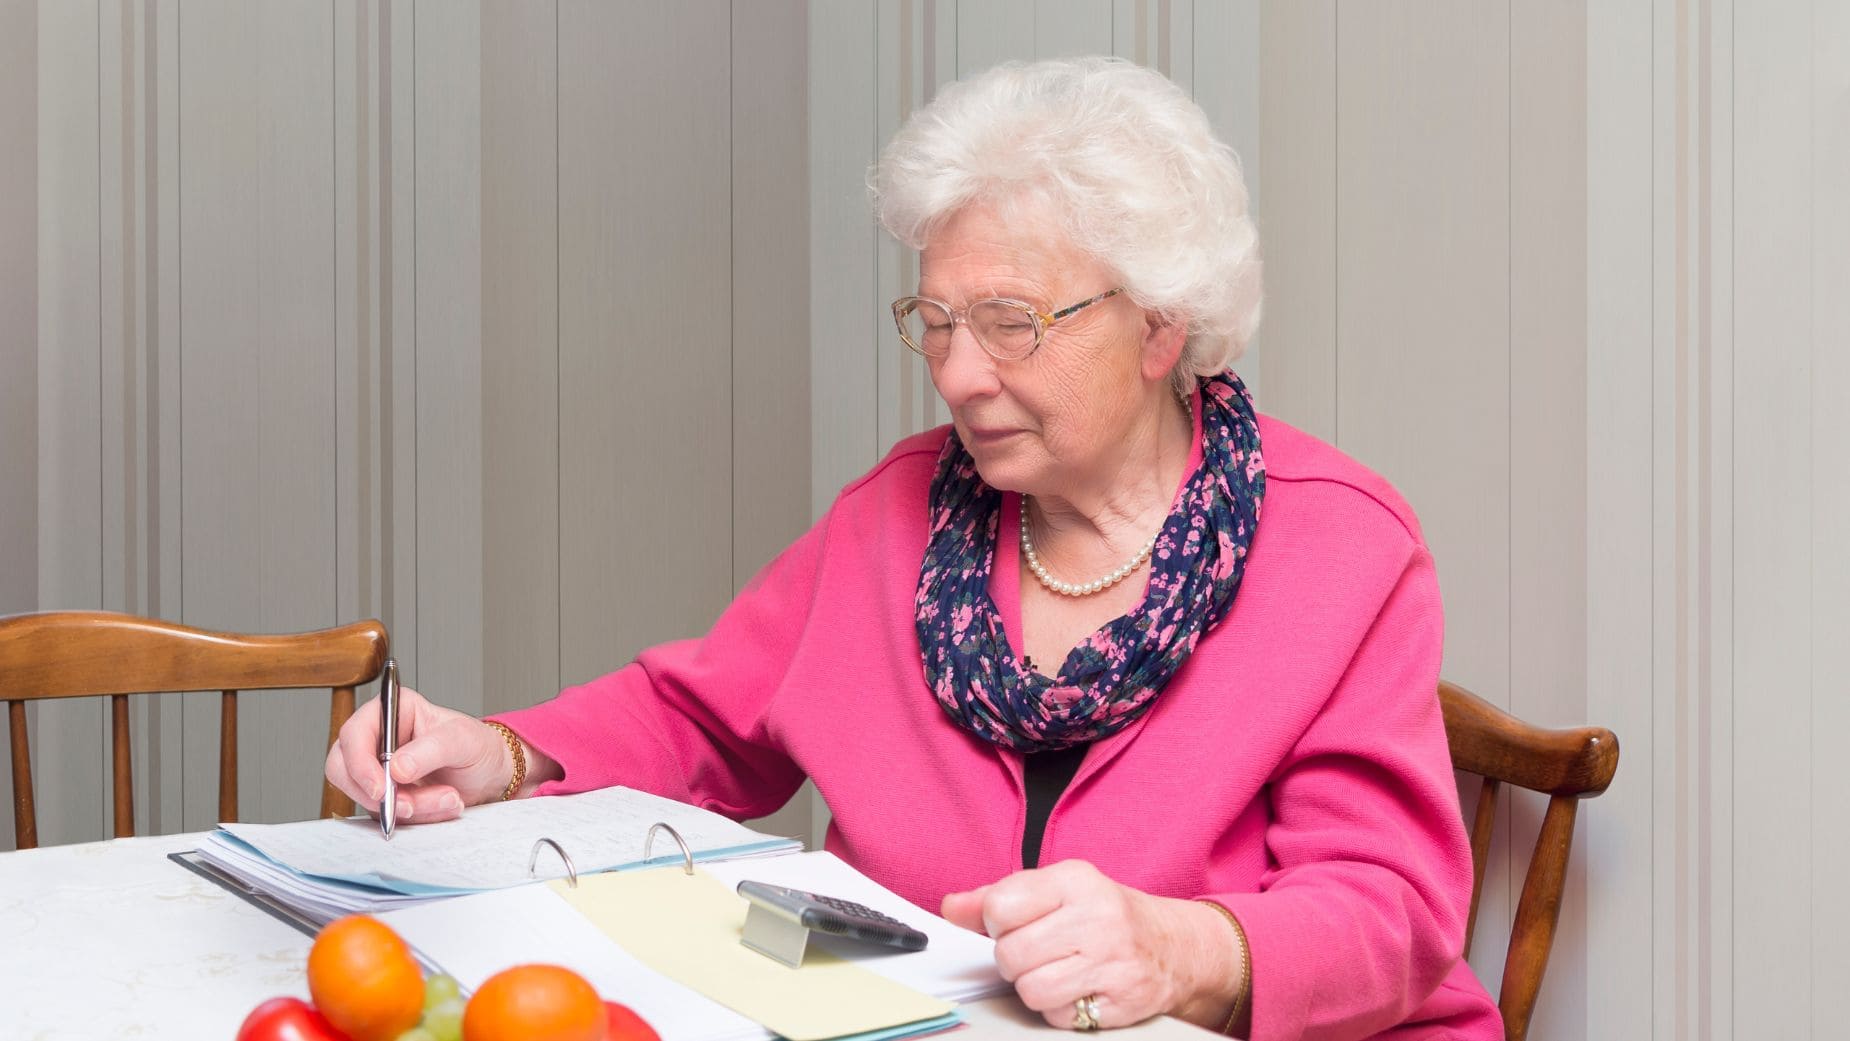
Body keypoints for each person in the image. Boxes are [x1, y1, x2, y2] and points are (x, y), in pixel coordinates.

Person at [326, 56, 1502, 1041]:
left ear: (1157, 325)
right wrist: (504, 754)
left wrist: (1182, 948)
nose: (956, 374)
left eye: (1008, 326)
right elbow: (703, 718)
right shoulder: (899, 514)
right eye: (934, 324)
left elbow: (1391, 912)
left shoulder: (1339, 548)